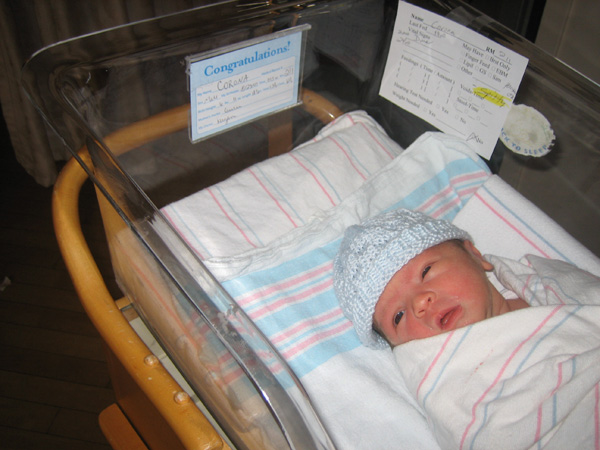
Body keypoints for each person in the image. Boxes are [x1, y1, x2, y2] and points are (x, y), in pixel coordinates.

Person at [333, 208, 529, 349]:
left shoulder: (538, 286)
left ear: (475, 255)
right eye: (398, 316)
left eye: (426, 271)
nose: (419, 302)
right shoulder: (446, 383)